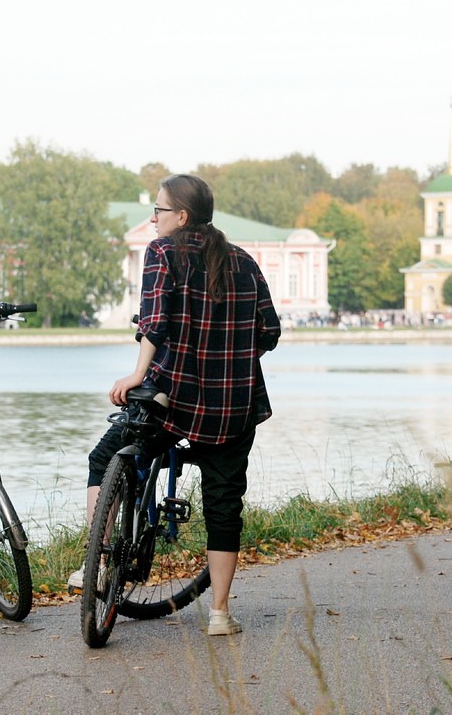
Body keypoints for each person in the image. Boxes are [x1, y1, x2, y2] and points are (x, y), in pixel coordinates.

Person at [68, 174, 280, 636]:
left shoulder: (162, 252)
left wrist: (138, 374)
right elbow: (269, 333)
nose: (153, 217)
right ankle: (220, 614)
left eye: (159, 210)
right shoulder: (243, 261)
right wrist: (230, 359)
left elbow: (155, 322)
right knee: (224, 505)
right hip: (233, 404)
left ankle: (98, 564)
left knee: (104, 459)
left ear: (181, 216)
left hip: (170, 397)